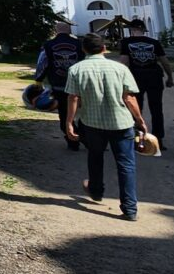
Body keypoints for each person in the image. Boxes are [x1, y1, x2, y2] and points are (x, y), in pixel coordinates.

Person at [63, 33, 146, 221]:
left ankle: (96, 191)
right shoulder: (120, 68)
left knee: (95, 156)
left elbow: (74, 97)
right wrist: (139, 119)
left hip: (92, 122)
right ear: (104, 48)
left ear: (83, 49)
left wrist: (69, 122)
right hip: (121, 123)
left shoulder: (76, 69)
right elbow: (129, 97)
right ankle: (130, 208)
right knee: (126, 164)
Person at [116, 20, 174, 149]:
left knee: (136, 109)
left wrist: (120, 80)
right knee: (156, 109)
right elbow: (164, 62)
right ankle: (158, 139)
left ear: (132, 29)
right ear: (144, 29)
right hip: (154, 76)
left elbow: (124, 62)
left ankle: (138, 138)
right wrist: (170, 77)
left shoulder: (126, 42)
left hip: (135, 78)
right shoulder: (154, 43)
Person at [37, 22, 83, 151]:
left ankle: (72, 141)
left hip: (59, 85)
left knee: (64, 115)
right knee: (85, 114)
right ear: (69, 31)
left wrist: (38, 80)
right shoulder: (79, 44)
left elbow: (43, 63)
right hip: (80, 86)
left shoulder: (48, 45)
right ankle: (87, 138)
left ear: (56, 30)